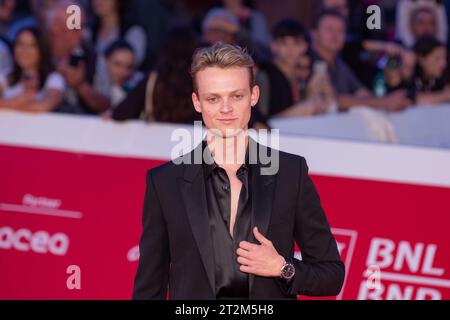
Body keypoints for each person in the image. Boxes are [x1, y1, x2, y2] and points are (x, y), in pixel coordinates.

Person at [132, 43, 344, 300]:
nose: (226, 109)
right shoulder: (164, 182)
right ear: (197, 102)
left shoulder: (290, 173)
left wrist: (282, 268)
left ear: (254, 96)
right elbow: (148, 288)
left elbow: (332, 275)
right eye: (213, 98)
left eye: (236, 96)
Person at [311, 9, 412, 112]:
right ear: (314, 33)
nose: (335, 35)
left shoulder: (339, 62)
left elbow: (361, 93)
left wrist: (393, 101)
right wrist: (385, 102)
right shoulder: (307, 62)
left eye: (340, 31)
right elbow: (333, 100)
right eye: (329, 29)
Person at [257, 19, 334, 118]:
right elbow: (259, 122)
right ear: (274, 46)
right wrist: (295, 113)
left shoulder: (301, 77)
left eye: (296, 43)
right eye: (284, 43)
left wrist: (321, 95)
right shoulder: (265, 76)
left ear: (304, 47)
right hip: (274, 133)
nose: (290, 49)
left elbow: (313, 108)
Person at [45, 0, 110, 114]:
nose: (81, 33)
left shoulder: (93, 58)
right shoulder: (34, 50)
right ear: (55, 27)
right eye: (75, 28)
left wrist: (80, 86)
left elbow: (107, 105)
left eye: (82, 26)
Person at [0, 26, 65, 112]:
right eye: (20, 44)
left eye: (31, 46)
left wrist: (9, 104)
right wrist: (16, 102)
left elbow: (43, 106)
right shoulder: (6, 76)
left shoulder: (54, 78)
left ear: (41, 50)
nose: (24, 51)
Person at [103, 39, 143, 109]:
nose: (123, 72)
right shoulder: (92, 82)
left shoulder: (137, 87)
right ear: (106, 61)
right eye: (117, 64)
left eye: (129, 67)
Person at [412, 36, 450, 104]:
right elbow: (414, 100)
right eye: (437, 59)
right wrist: (445, 96)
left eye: (444, 58)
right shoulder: (409, 76)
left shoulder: (444, 75)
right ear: (421, 59)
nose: (444, 64)